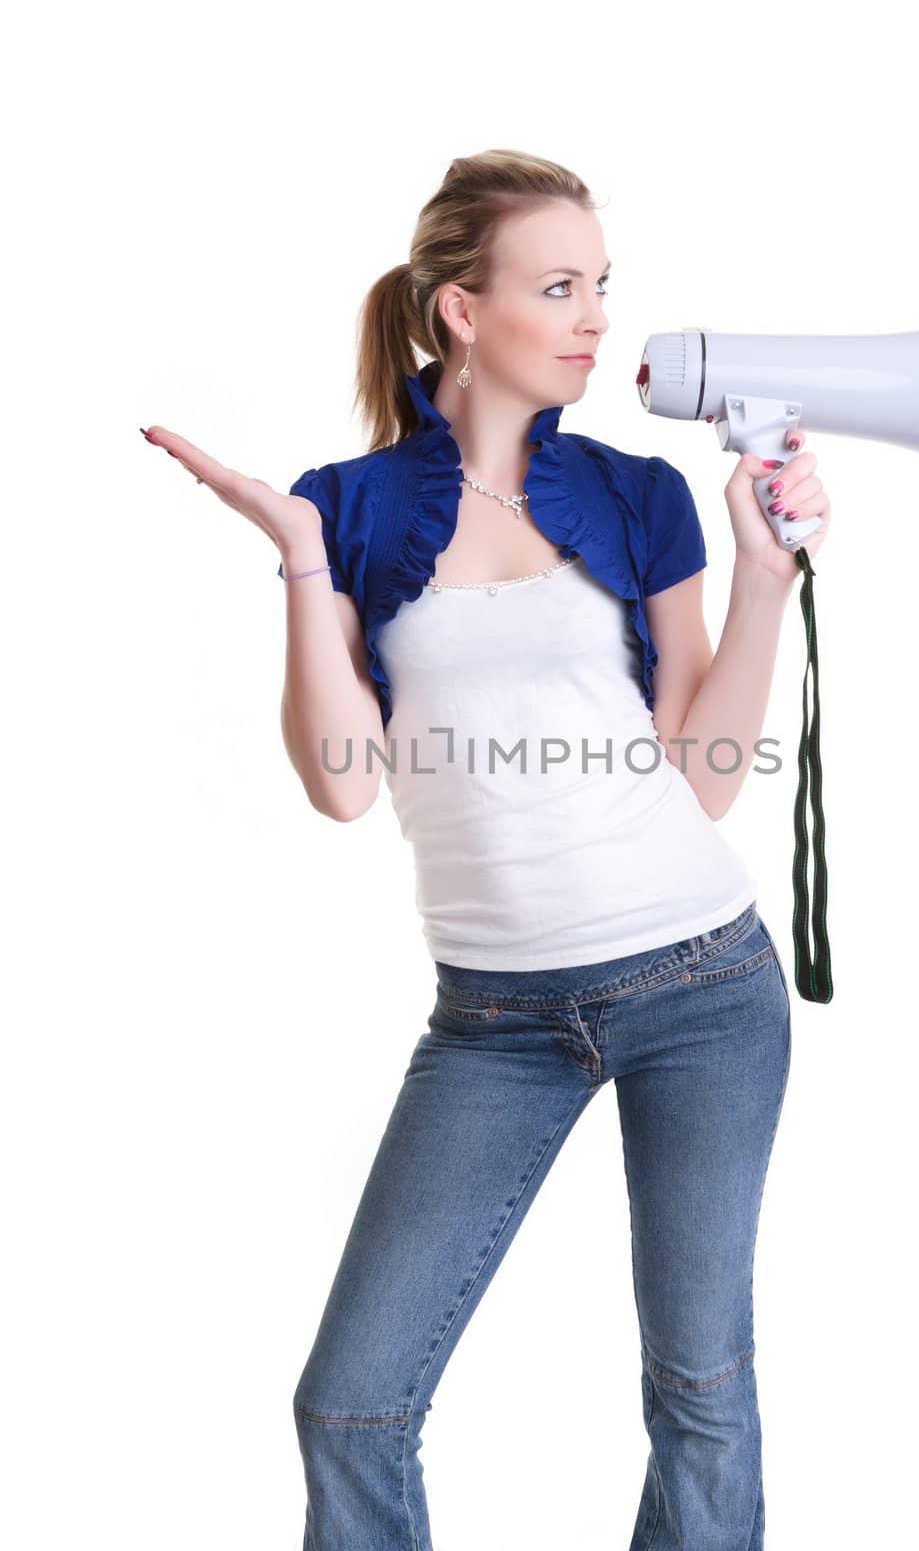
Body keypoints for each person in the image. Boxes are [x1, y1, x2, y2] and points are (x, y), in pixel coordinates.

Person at [143, 148, 831, 1551]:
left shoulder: (639, 495)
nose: (592, 320)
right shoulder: (348, 506)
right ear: (460, 309)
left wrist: (765, 579)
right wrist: (295, 556)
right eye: (557, 286)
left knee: (699, 1387)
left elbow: (704, 779)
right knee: (351, 1406)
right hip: (497, 1018)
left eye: (600, 287)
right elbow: (341, 786)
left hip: (704, 985)